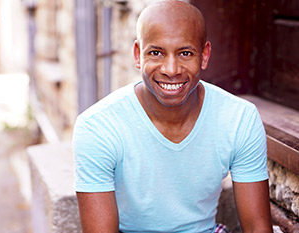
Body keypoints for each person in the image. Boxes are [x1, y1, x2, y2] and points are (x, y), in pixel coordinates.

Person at [73, 1, 273, 232]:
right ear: (138, 55)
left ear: (205, 55)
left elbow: (258, 227)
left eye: (185, 53)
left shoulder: (239, 119)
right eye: (156, 53)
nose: (171, 69)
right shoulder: (98, 126)